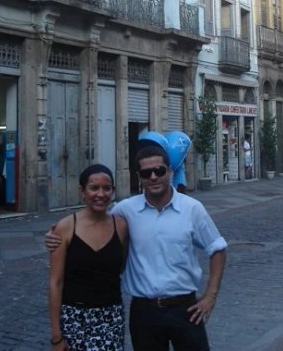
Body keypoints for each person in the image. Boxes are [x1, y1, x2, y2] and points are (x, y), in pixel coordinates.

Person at [46, 145, 227, 351]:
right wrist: (55, 235)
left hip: (185, 308)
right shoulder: (125, 211)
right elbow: (96, 218)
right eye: (146, 173)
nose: (153, 177)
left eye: (159, 171)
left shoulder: (192, 208)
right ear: (138, 177)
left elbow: (217, 248)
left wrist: (210, 296)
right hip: (144, 312)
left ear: (169, 171)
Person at [48, 164, 128, 351]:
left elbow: (121, 266)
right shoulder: (66, 227)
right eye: (94, 188)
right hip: (75, 317)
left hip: (111, 316)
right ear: (82, 191)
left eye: (106, 188)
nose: (101, 194)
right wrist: (56, 335)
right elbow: (55, 283)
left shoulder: (121, 226)